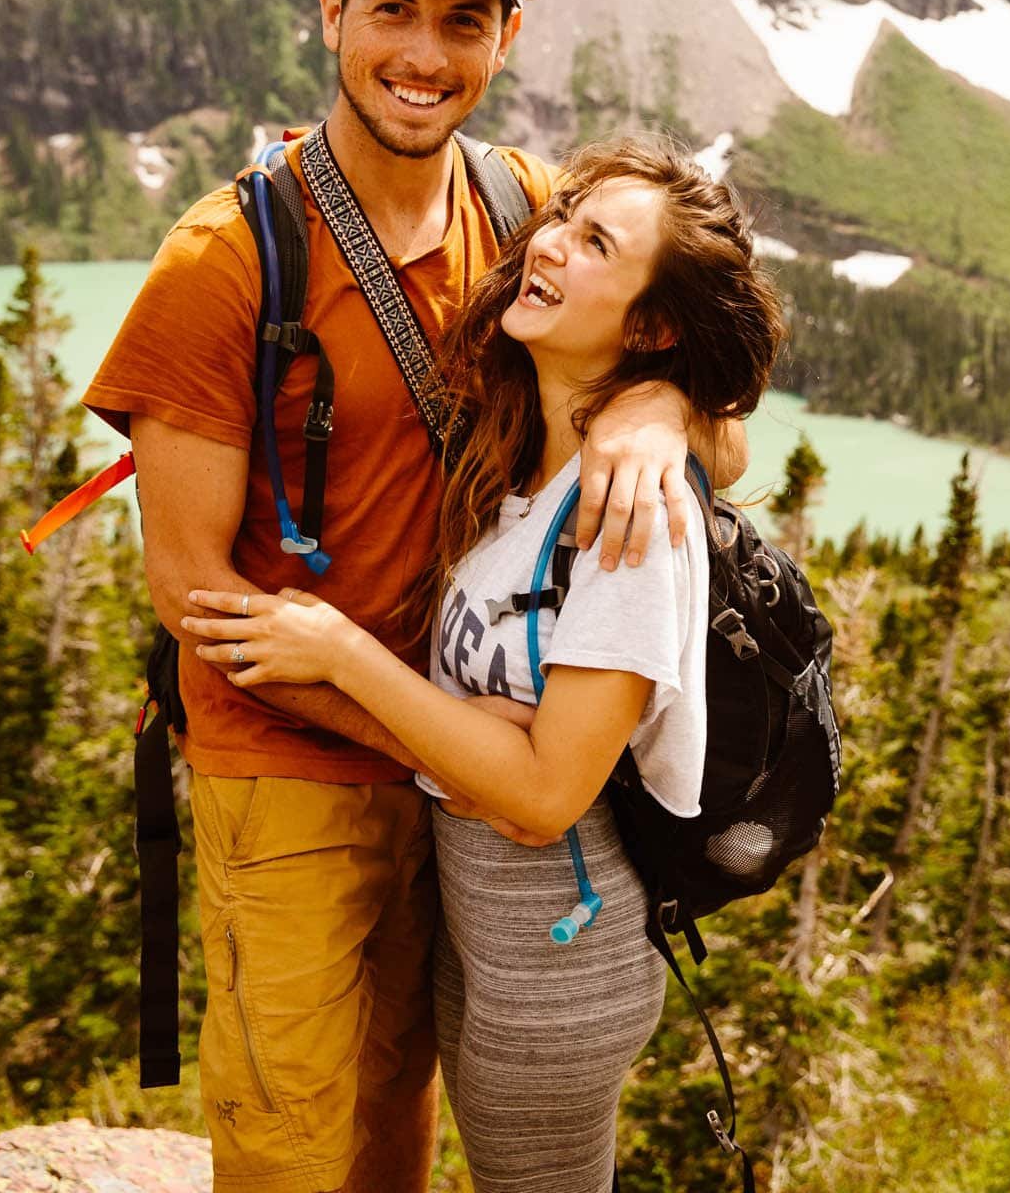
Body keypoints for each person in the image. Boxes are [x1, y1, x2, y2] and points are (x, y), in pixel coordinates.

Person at [83, 0, 748, 1193]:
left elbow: (702, 380)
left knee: (397, 1127)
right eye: (394, 7)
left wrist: (657, 413)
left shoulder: (521, 214)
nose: (422, 54)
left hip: (458, 785)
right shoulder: (224, 265)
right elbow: (193, 597)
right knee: (290, 1141)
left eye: (462, 20)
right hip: (296, 772)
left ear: (507, 36)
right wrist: (402, 708)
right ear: (331, 10)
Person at [182, 135, 785, 1193]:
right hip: (494, 944)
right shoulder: (535, 463)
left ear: (648, 327)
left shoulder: (626, 524)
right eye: (564, 215)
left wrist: (340, 651)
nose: (545, 240)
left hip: (558, 969)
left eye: (595, 240)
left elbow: (544, 792)